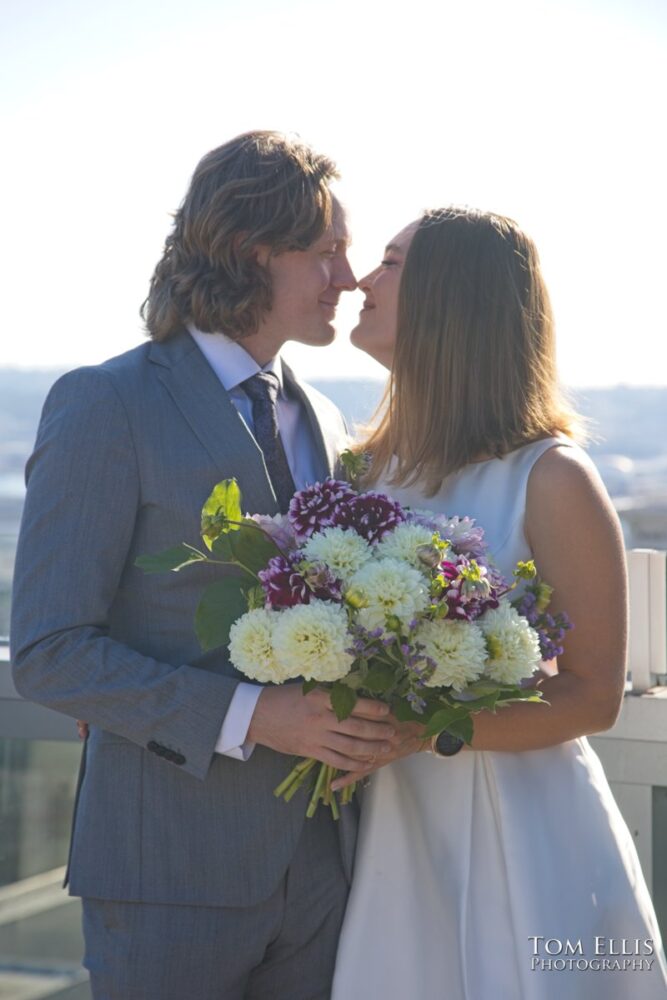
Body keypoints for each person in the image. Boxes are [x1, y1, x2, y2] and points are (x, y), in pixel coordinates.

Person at [10, 131, 416, 1000]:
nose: (345, 278)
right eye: (328, 252)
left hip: (325, 873)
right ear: (251, 251)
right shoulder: (105, 403)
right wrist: (251, 715)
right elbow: (49, 648)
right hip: (167, 877)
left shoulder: (328, 422)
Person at [331, 207, 667, 998]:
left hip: (519, 827)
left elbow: (590, 699)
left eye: (388, 263)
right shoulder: (356, 472)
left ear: (454, 299)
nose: (359, 281)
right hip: (384, 825)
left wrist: (420, 732)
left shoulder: (550, 477)